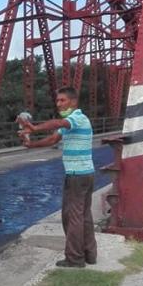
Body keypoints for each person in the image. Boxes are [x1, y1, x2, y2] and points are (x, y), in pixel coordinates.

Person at [20, 87, 97, 268]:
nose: (59, 104)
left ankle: (75, 258)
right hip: (84, 174)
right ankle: (89, 255)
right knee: (84, 216)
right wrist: (31, 145)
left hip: (77, 175)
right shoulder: (71, 123)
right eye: (57, 101)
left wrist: (35, 127)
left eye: (63, 100)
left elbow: (58, 124)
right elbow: (53, 139)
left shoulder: (77, 118)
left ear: (73, 102)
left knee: (73, 218)